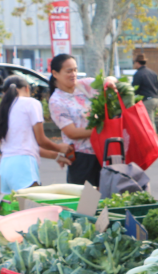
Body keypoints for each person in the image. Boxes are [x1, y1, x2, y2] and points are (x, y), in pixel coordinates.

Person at [0, 75, 71, 193]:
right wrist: (60, 148)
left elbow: (29, 147)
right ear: (27, 88)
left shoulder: (4, 109)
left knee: (11, 210)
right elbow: (40, 140)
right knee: (33, 209)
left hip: (4, 167)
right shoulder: (31, 103)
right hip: (23, 167)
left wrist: (56, 156)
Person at [48, 54, 114, 187]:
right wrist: (102, 128)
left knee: (105, 198)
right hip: (82, 158)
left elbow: (108, 79)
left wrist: (110, 82)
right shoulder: (56, 101)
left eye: (75, 70)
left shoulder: (83, 85)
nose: (73, 74)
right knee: (86, 203)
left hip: (102, 151)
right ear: (55, 73)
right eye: (68, 71)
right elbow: (72, 133)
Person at [132, 53, 158, 126]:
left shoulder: (138, 74)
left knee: (149, 123)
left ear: (137, 63)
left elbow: (135, 89)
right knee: (150, 120)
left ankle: (152, 137)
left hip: (147, 101)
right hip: (156, 99)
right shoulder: (152, 73)